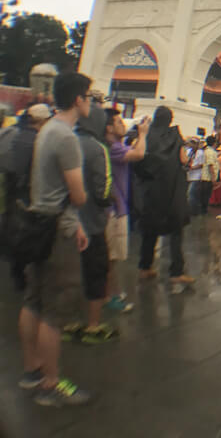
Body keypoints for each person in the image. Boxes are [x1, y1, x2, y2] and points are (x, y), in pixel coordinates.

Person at [19, 71, 93, 406]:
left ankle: (32, 369)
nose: (90, 102)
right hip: (56, 234)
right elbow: (77, 196)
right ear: (78, 99)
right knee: (55, 310)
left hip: (38, 224)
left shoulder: (47, 128)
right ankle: (51, 384)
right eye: (89, 96)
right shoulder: (66, 137)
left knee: (33, 301)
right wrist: (76, 215)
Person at [66, 99, 118, 344]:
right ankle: (93, 326)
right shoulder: (98, 149)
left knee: (71, 274)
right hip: (92, 224)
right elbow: (103, 189)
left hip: (66, 223)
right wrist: (109, 203)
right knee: (95, 273)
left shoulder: (67, 140)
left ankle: (70, 322)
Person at [135, 106, 193, 284]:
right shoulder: (175, 135)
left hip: (151, 190)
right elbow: (183, 159)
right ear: (170, 119)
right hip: (172, 190)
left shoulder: (147, 135)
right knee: (176, 231)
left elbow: (138, 157)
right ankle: (176, 272)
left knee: (149, 231)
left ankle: (145, 267)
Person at [0, 103, 50, 294]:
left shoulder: (13, 134)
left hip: (11, 192)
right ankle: (26, 278)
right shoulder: (38, 141)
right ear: (43, 121)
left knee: (14, 231)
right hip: (29, 194)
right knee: (28, 237)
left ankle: (17, 273)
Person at [103, 108, 145, 314]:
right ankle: (111, 296)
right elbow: (139, 154)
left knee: (111, 257)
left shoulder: (116, 146)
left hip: (116, 207)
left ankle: (110, 293)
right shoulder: (112, 147)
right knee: (111, 258)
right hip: (114, 209)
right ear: (109, 127)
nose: (123, 124)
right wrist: (144, 133)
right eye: (119, 121)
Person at [200, 136, 218, 215]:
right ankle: (203, 211)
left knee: (205, 195)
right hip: (208, 178)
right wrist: (213, 178)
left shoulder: (208, 151)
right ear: (214, 143)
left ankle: (203, 210)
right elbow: (211, 165)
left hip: (206, 177)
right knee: (205, 195)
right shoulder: (210, 152)